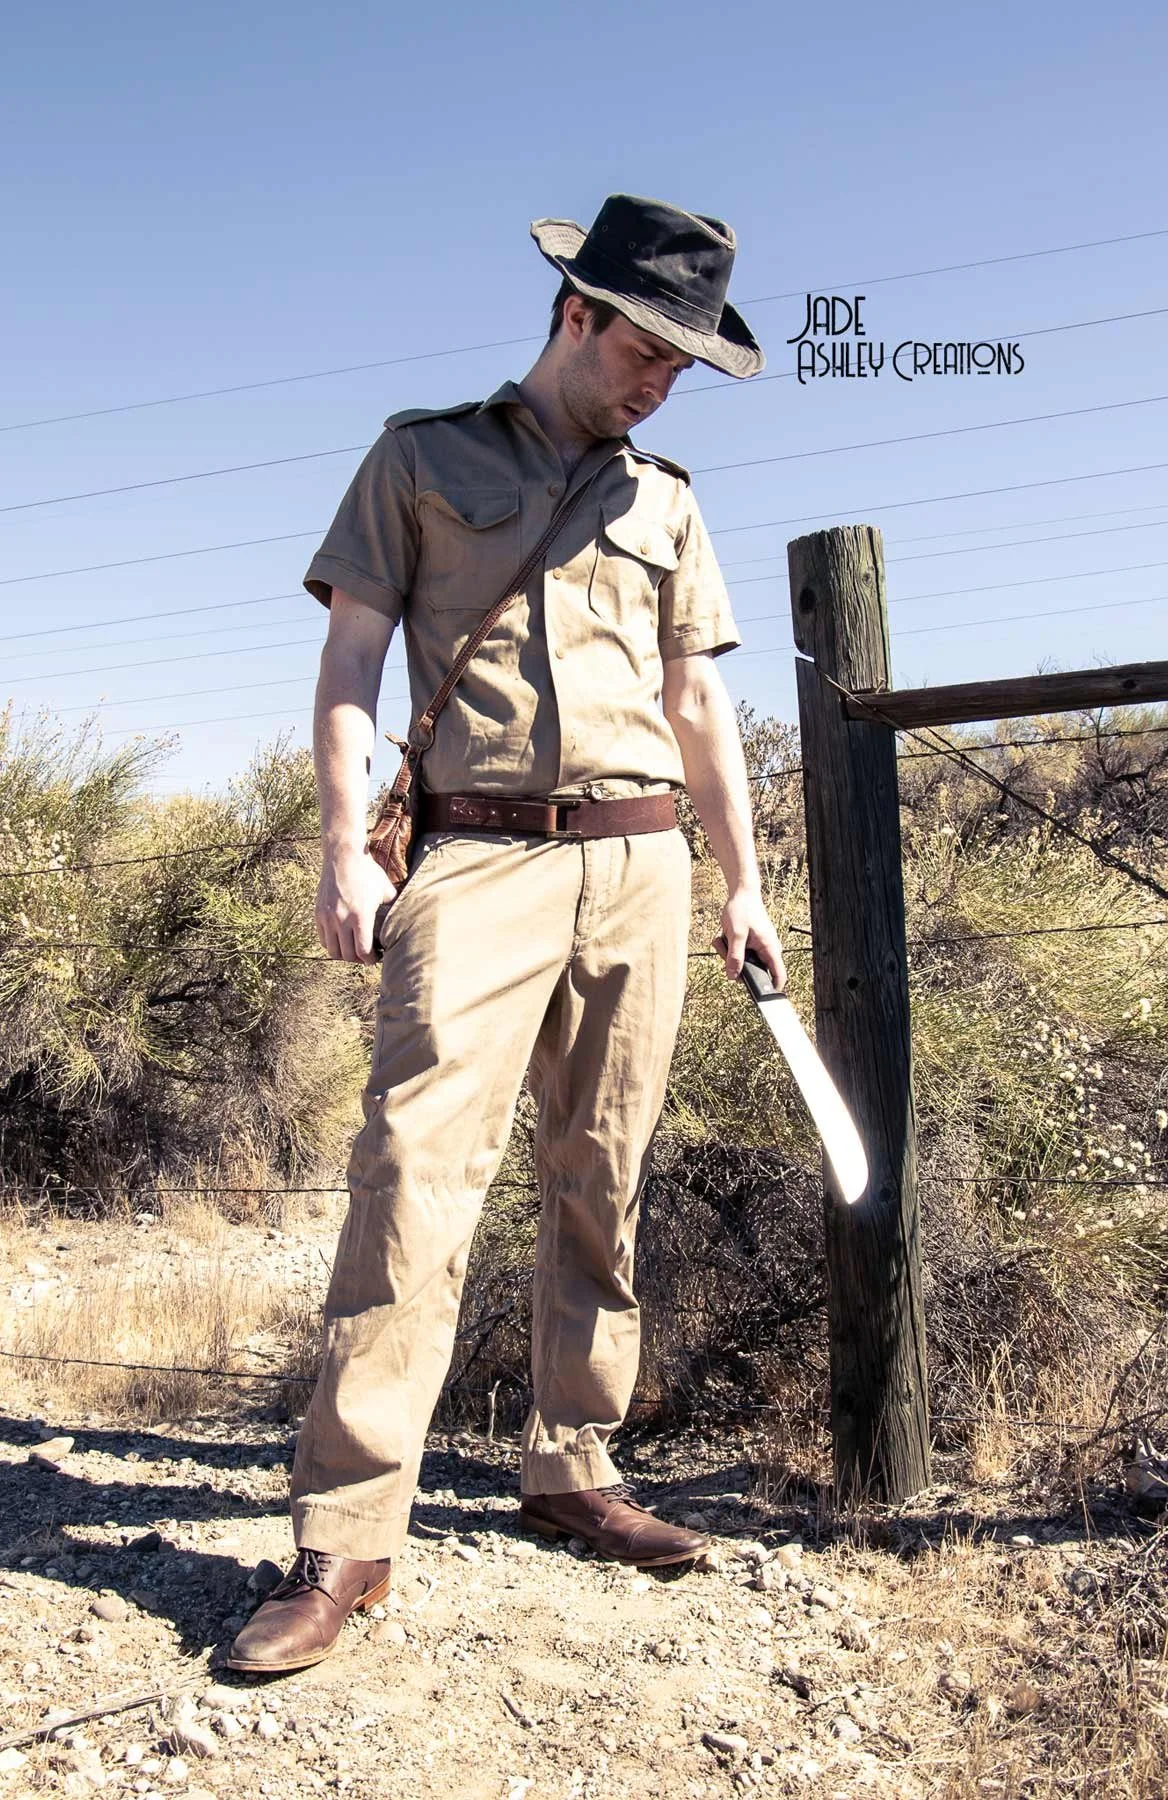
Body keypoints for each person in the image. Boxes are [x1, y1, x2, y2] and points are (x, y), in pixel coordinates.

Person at [228, 193, 787, 1675]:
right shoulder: (422, 458)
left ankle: (573, 1467)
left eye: (687, 358)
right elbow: (350, 660)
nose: (664, 379)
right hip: (477, 865)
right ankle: (345, 1538)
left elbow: (699, 708)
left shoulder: (666, 500)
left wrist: (743, 883)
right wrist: (344, 848)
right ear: (574, 315)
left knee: (603, 1180)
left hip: (643, 866)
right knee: (412, 1181)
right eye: (648, 347)